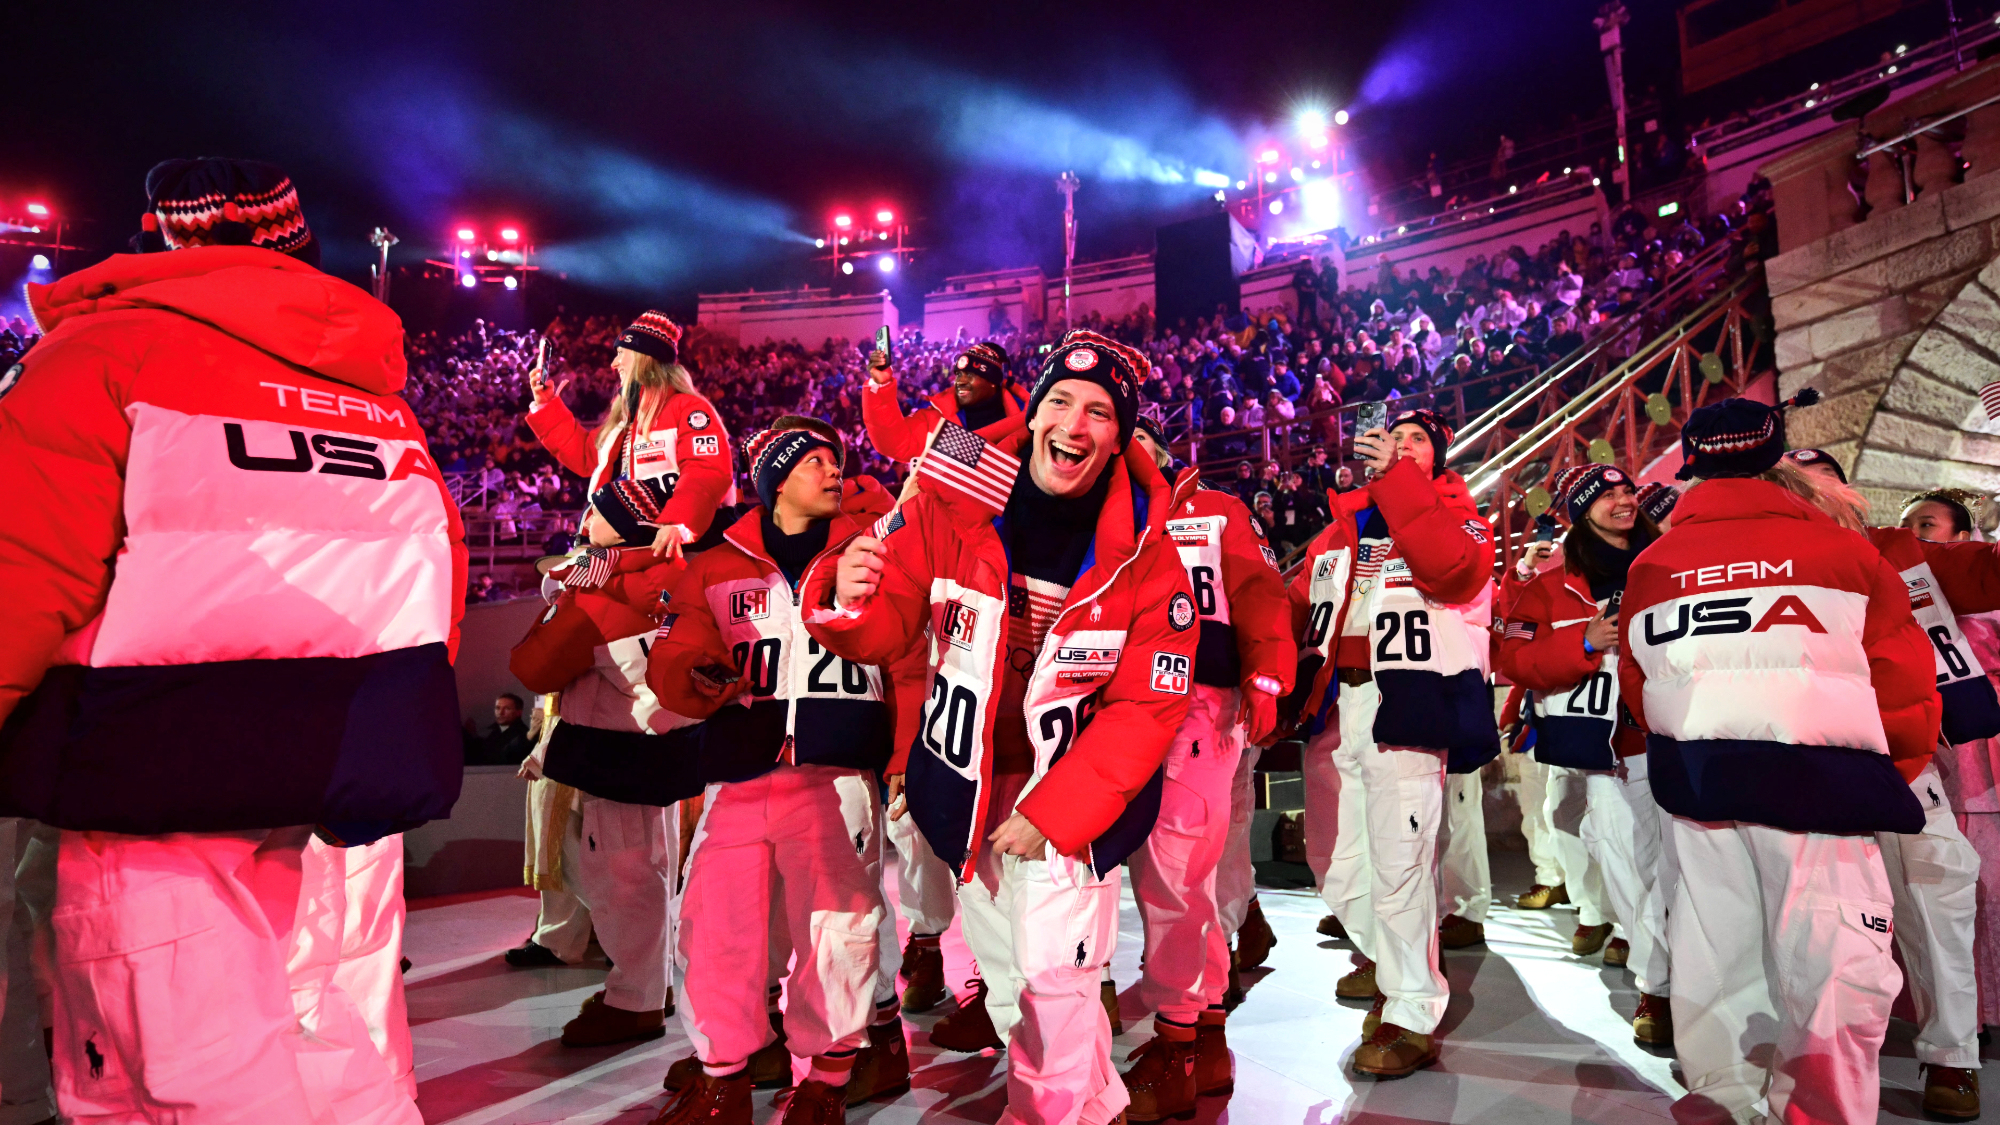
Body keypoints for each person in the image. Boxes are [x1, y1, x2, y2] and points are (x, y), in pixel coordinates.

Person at [0, 157, 463, 1124]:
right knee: (348, 1051)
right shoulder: (382, 398)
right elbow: (437, 579)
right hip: (348, 775)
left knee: (178, 1079)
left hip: (151, 781)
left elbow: (21, 569)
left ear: (161, 238)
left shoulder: (98, 358)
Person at [807, 330, 1195, 1125]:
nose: (1075, 425)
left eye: (1099, 411)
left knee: (1055, 985)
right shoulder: (957, 498)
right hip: (968, 792)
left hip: (1065, 815)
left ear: (1120, 435)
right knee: (1015, 982)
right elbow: (885, 627)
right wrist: (844, 587)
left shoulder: (1154, 556)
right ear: (1034, 413)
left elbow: (1146, 709)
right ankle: (1098, 1111)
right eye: (1060, 401)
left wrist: (1052, 815)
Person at [1620, 398, 1939, 1124]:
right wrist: (1892, 771)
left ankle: (1723, 1104)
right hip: (1824, 785)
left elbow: (1638, 683)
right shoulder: (1846, 550)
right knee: (1832, 969)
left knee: (1714, 959)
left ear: (1692, 465)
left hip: (1699, 784)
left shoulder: (1653, 560)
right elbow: (1901, 674)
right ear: (1776, 458)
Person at [646, 419, 922, 1125]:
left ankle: (827, 1080)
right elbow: (677, 649)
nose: (834, 471)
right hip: (739, 770)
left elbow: (907, 662)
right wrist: (690, 673)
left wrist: (900, 758)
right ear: (774, 480)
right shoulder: (717, 560)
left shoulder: (874, 550)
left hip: (837, 773)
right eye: (816, 462)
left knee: (839, 929)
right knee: (713, 925)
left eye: (838, 460)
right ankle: (724, 1076)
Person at [513, 310, 735, 1050]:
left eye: (621, 353)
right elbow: (584, 456)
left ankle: (640, 989)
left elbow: (709, 471)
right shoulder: (620, 423)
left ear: (649, 358)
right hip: (617, 578)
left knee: (631, 842)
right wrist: (545, 404)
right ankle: (637, 977)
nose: (610, 362)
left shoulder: (687, 409)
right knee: (611, 840)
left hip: (650, 589)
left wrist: (678, 521)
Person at [1785, 453, 1996, 1120]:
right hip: (1803, 765)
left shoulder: (1903, 550)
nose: (1810, 491)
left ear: (1847, 491)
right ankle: (1819, 1051)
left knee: (1936, 902)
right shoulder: (1769, 561)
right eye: (1793, 481)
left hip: (1903, 762)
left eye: (1820, 476)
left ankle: (1952, 1056)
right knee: (1811, 916)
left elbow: (1988, 572)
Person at [1288, 408, 1497, 1076]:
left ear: (1437, 459)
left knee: (1402, 862)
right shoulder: (1338, 532)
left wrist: (1399, 487)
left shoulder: (1460, 517)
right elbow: (1295, 606)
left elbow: (1454, 571)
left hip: (1406, 701)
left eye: (1417, 443)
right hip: (1335, 709)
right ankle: (1388, 958)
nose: (1401, 448)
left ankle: (1409, 1005)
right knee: (1334, 861)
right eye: (1393, 438)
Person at [1118, 417, 1294, 1120]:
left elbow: (1261, 592)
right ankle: (1201, 1033)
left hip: (1198, 705)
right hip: (1124, 709)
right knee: (1169, 876)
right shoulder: (1104, 514)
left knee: (1176, 875)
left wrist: (1268, 678)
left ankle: (1180, 1042)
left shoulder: (1217, 510)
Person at [1497, 464, 1673, 1045]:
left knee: (1692, 870)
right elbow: (1515, 662)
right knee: (1629, 866)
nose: (1623, 500)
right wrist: (1583, 643)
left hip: (1690, 735)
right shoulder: (1552, 585)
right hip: (1614, 752)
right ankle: (1658, 987)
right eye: (1606, 496)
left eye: (1627, 491)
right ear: (1580, 512)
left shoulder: (1673, 562)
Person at [862, 341, 1026, 463]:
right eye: (959, 375)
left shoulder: (1029, 417)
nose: (960, 381)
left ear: (992, 381)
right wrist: (880, 387)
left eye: (970, 375)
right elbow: (895, 443)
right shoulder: (936, 419)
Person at [465, 692, 533, 765]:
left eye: (507, 708)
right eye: (497, 708)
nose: (500, 712)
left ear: (518, 712)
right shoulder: (491, 732)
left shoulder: (522, 735)